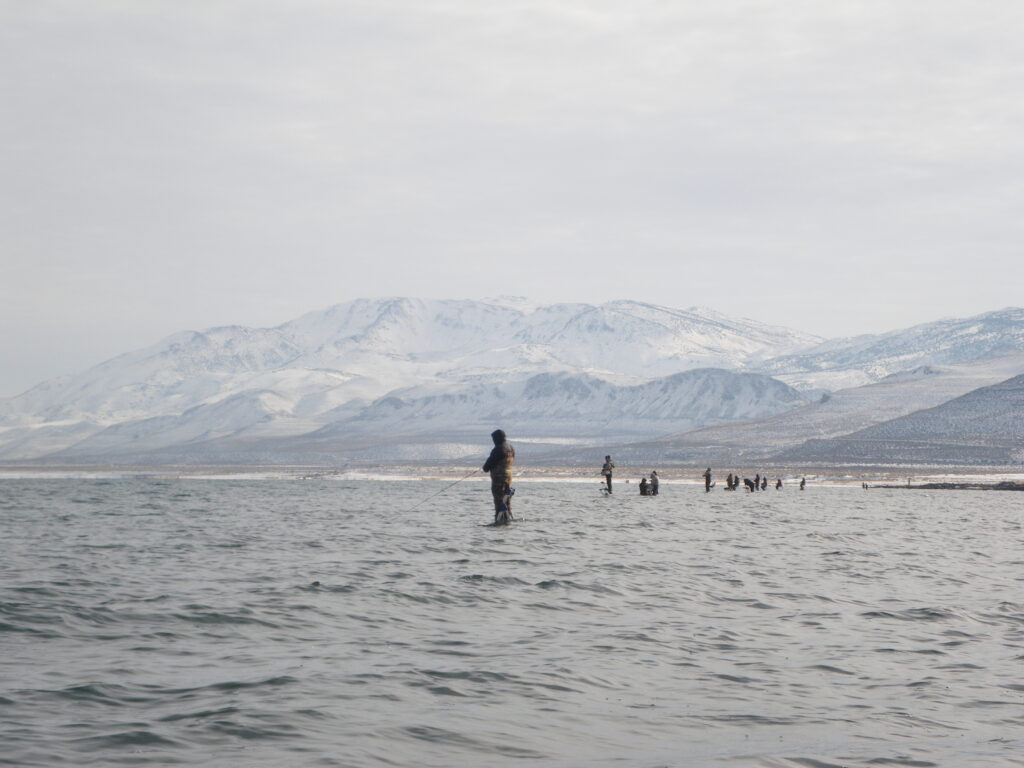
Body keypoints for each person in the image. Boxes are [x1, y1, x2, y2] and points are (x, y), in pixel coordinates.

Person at [482, 429, 515, 524]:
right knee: (507, 501)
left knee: (499, 500)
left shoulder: (498, 449)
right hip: (508, 478)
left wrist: (485, 467)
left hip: (498, 479)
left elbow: (486, 467)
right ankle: (508, 518)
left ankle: (499, 521)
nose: (493, 441)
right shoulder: (510, 448)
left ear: (497, 438)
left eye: (493, 439)